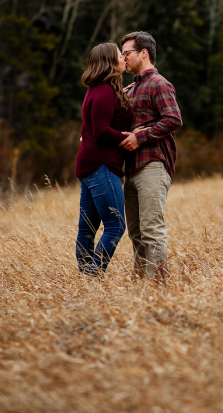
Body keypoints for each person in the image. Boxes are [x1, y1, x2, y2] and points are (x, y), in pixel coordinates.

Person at [119, 31, 183, 281]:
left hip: (153, 166)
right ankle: (141, 287)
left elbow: (173, 119)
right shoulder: (129, 88)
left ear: (143, 53)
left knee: (151, 230)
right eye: (122, 54)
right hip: (130, 169)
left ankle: (157, 288)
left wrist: (141, 136)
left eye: (128, 53)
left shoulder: (159, 84)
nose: (124, 58)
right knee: (135, 232)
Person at [75, 42, 132, 274]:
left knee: (87, 227)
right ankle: (94, 273)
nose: (124, 58)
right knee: (116, 226)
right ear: (110, 62)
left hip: (90, 164)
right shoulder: (105, 91)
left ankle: (86, 277)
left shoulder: (97, 89)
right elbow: (101, 130)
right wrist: (125, 137)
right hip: (101, 166)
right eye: (120, 55)